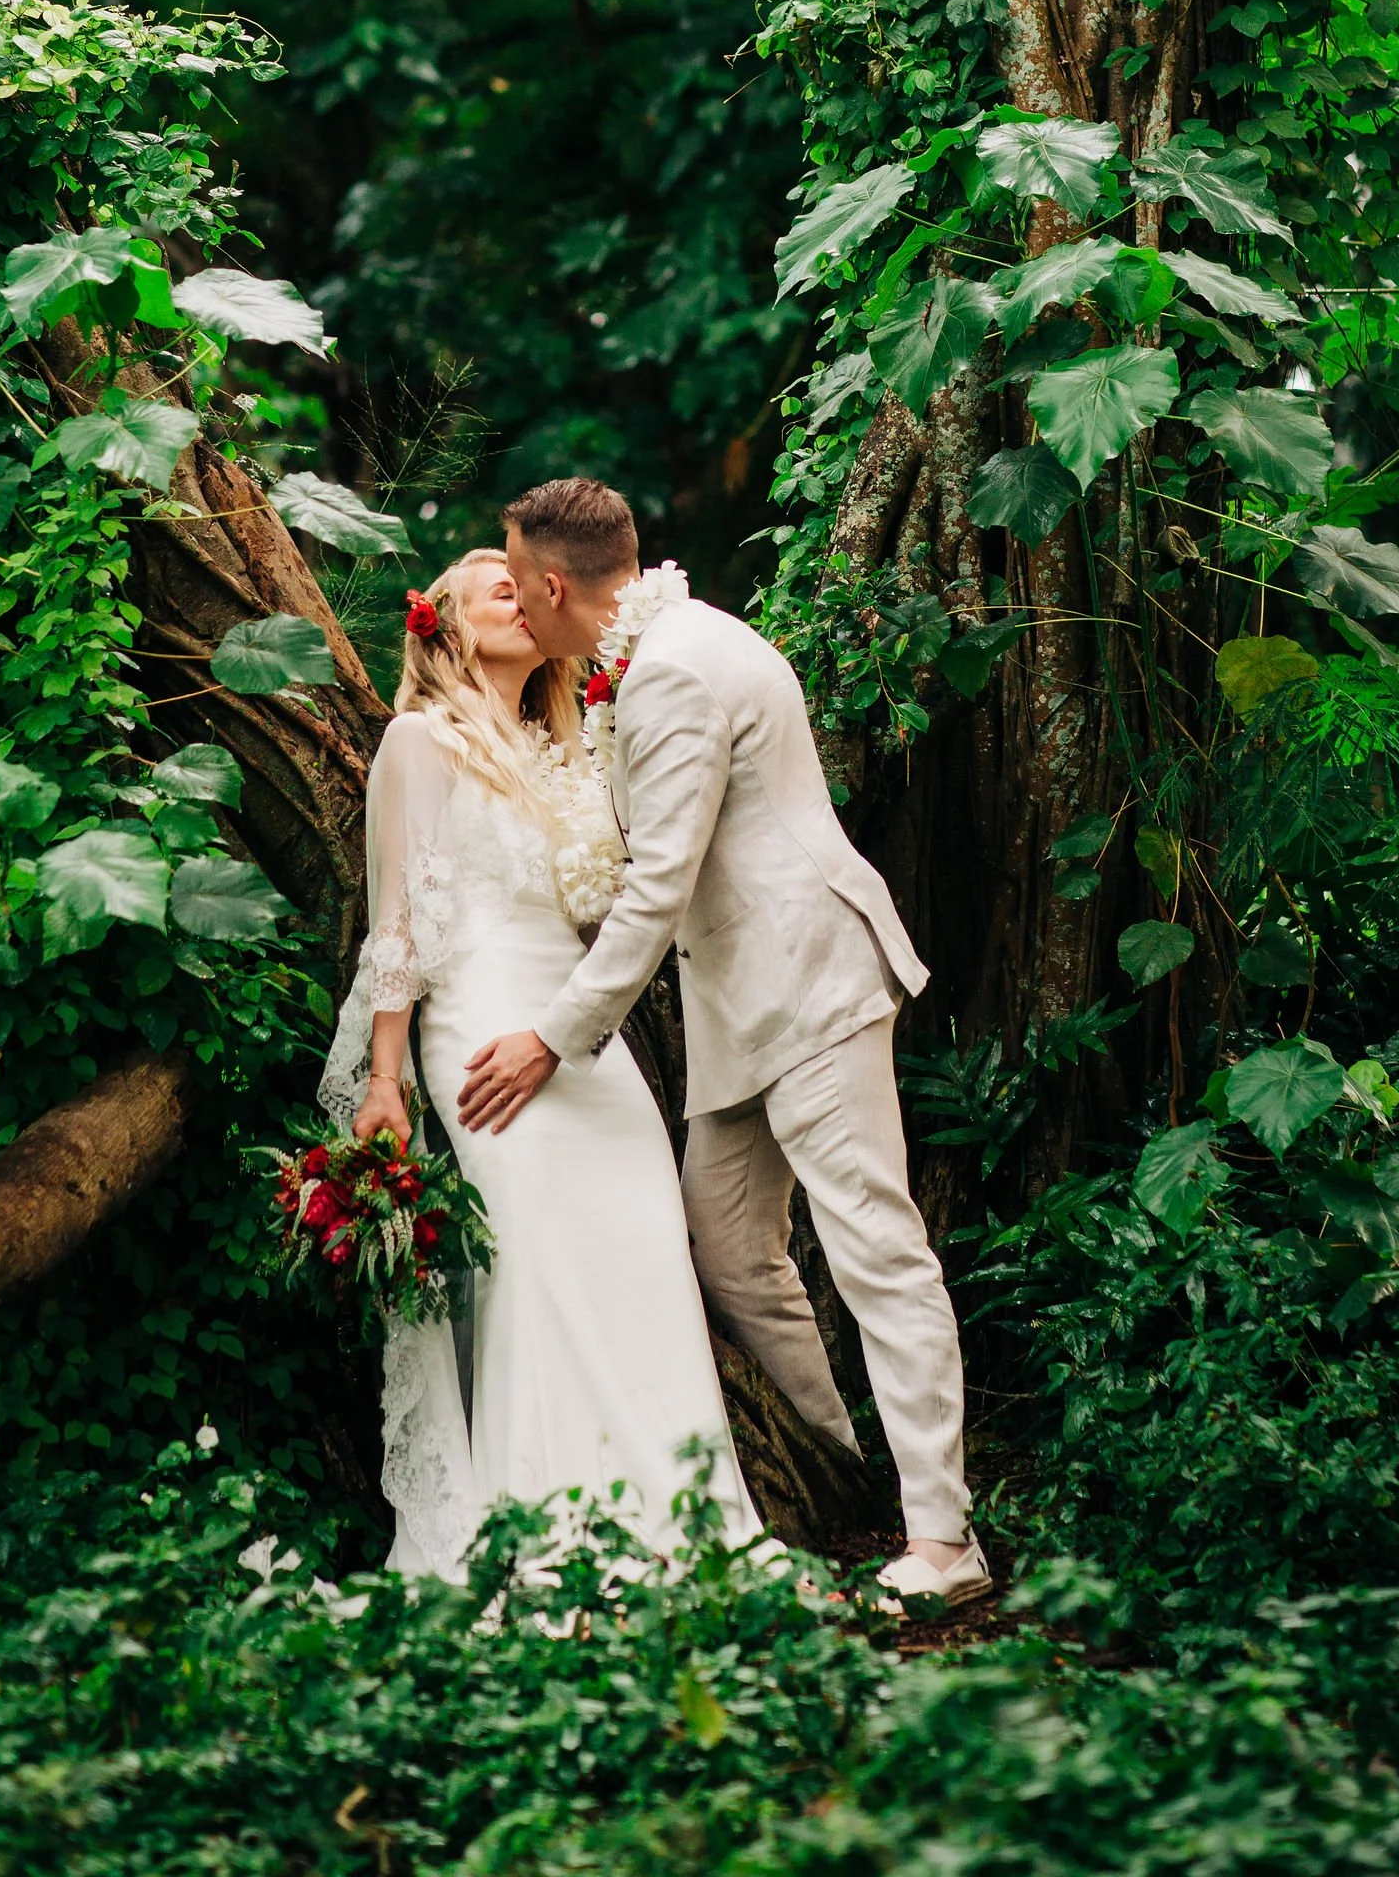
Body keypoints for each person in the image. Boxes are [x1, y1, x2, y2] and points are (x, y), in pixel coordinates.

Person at [458, 476, 988, 1610]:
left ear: (554, 586)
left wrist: (552, 1036)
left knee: (874, 1251)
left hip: (806, 987)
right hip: (737, 1011)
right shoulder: (652, 653)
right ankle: (839, 1470)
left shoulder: (675, 674)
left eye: (514, 577)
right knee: (729, 1245)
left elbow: (659, 885)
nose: (509, 595)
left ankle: (944, 1539)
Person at [319, 547, 761, 1579]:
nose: (522, 598)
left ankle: (686, 1532)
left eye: (527, 587)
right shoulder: (418, 745)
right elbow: (396, 932)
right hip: (479, 1045)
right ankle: (551, 1541)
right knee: (539, 1275)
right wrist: (385, 1083)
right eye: (497, 590)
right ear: (449, 627)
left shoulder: (561, 745)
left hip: (583, 1055)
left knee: (644, 1253)